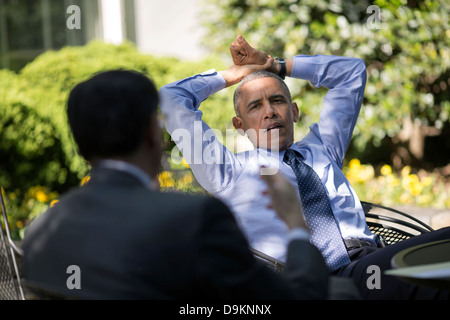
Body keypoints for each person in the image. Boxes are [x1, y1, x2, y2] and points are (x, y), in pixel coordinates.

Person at [160, 35, 450, 299]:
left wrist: (276, 66)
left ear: (294, 111)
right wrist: (232, 75)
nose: (270, 112)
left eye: (277, 101)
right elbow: (171, 98)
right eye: (255, 107)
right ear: (239, 125)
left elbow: (351, 73)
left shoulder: (322, 148)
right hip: (302, 284)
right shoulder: (226, 170)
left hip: (366, 267)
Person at [21, 69, 331, 300]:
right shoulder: (195, 218)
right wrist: (296, 228)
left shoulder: (40, 232)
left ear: (80, 145)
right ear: (152, 135)